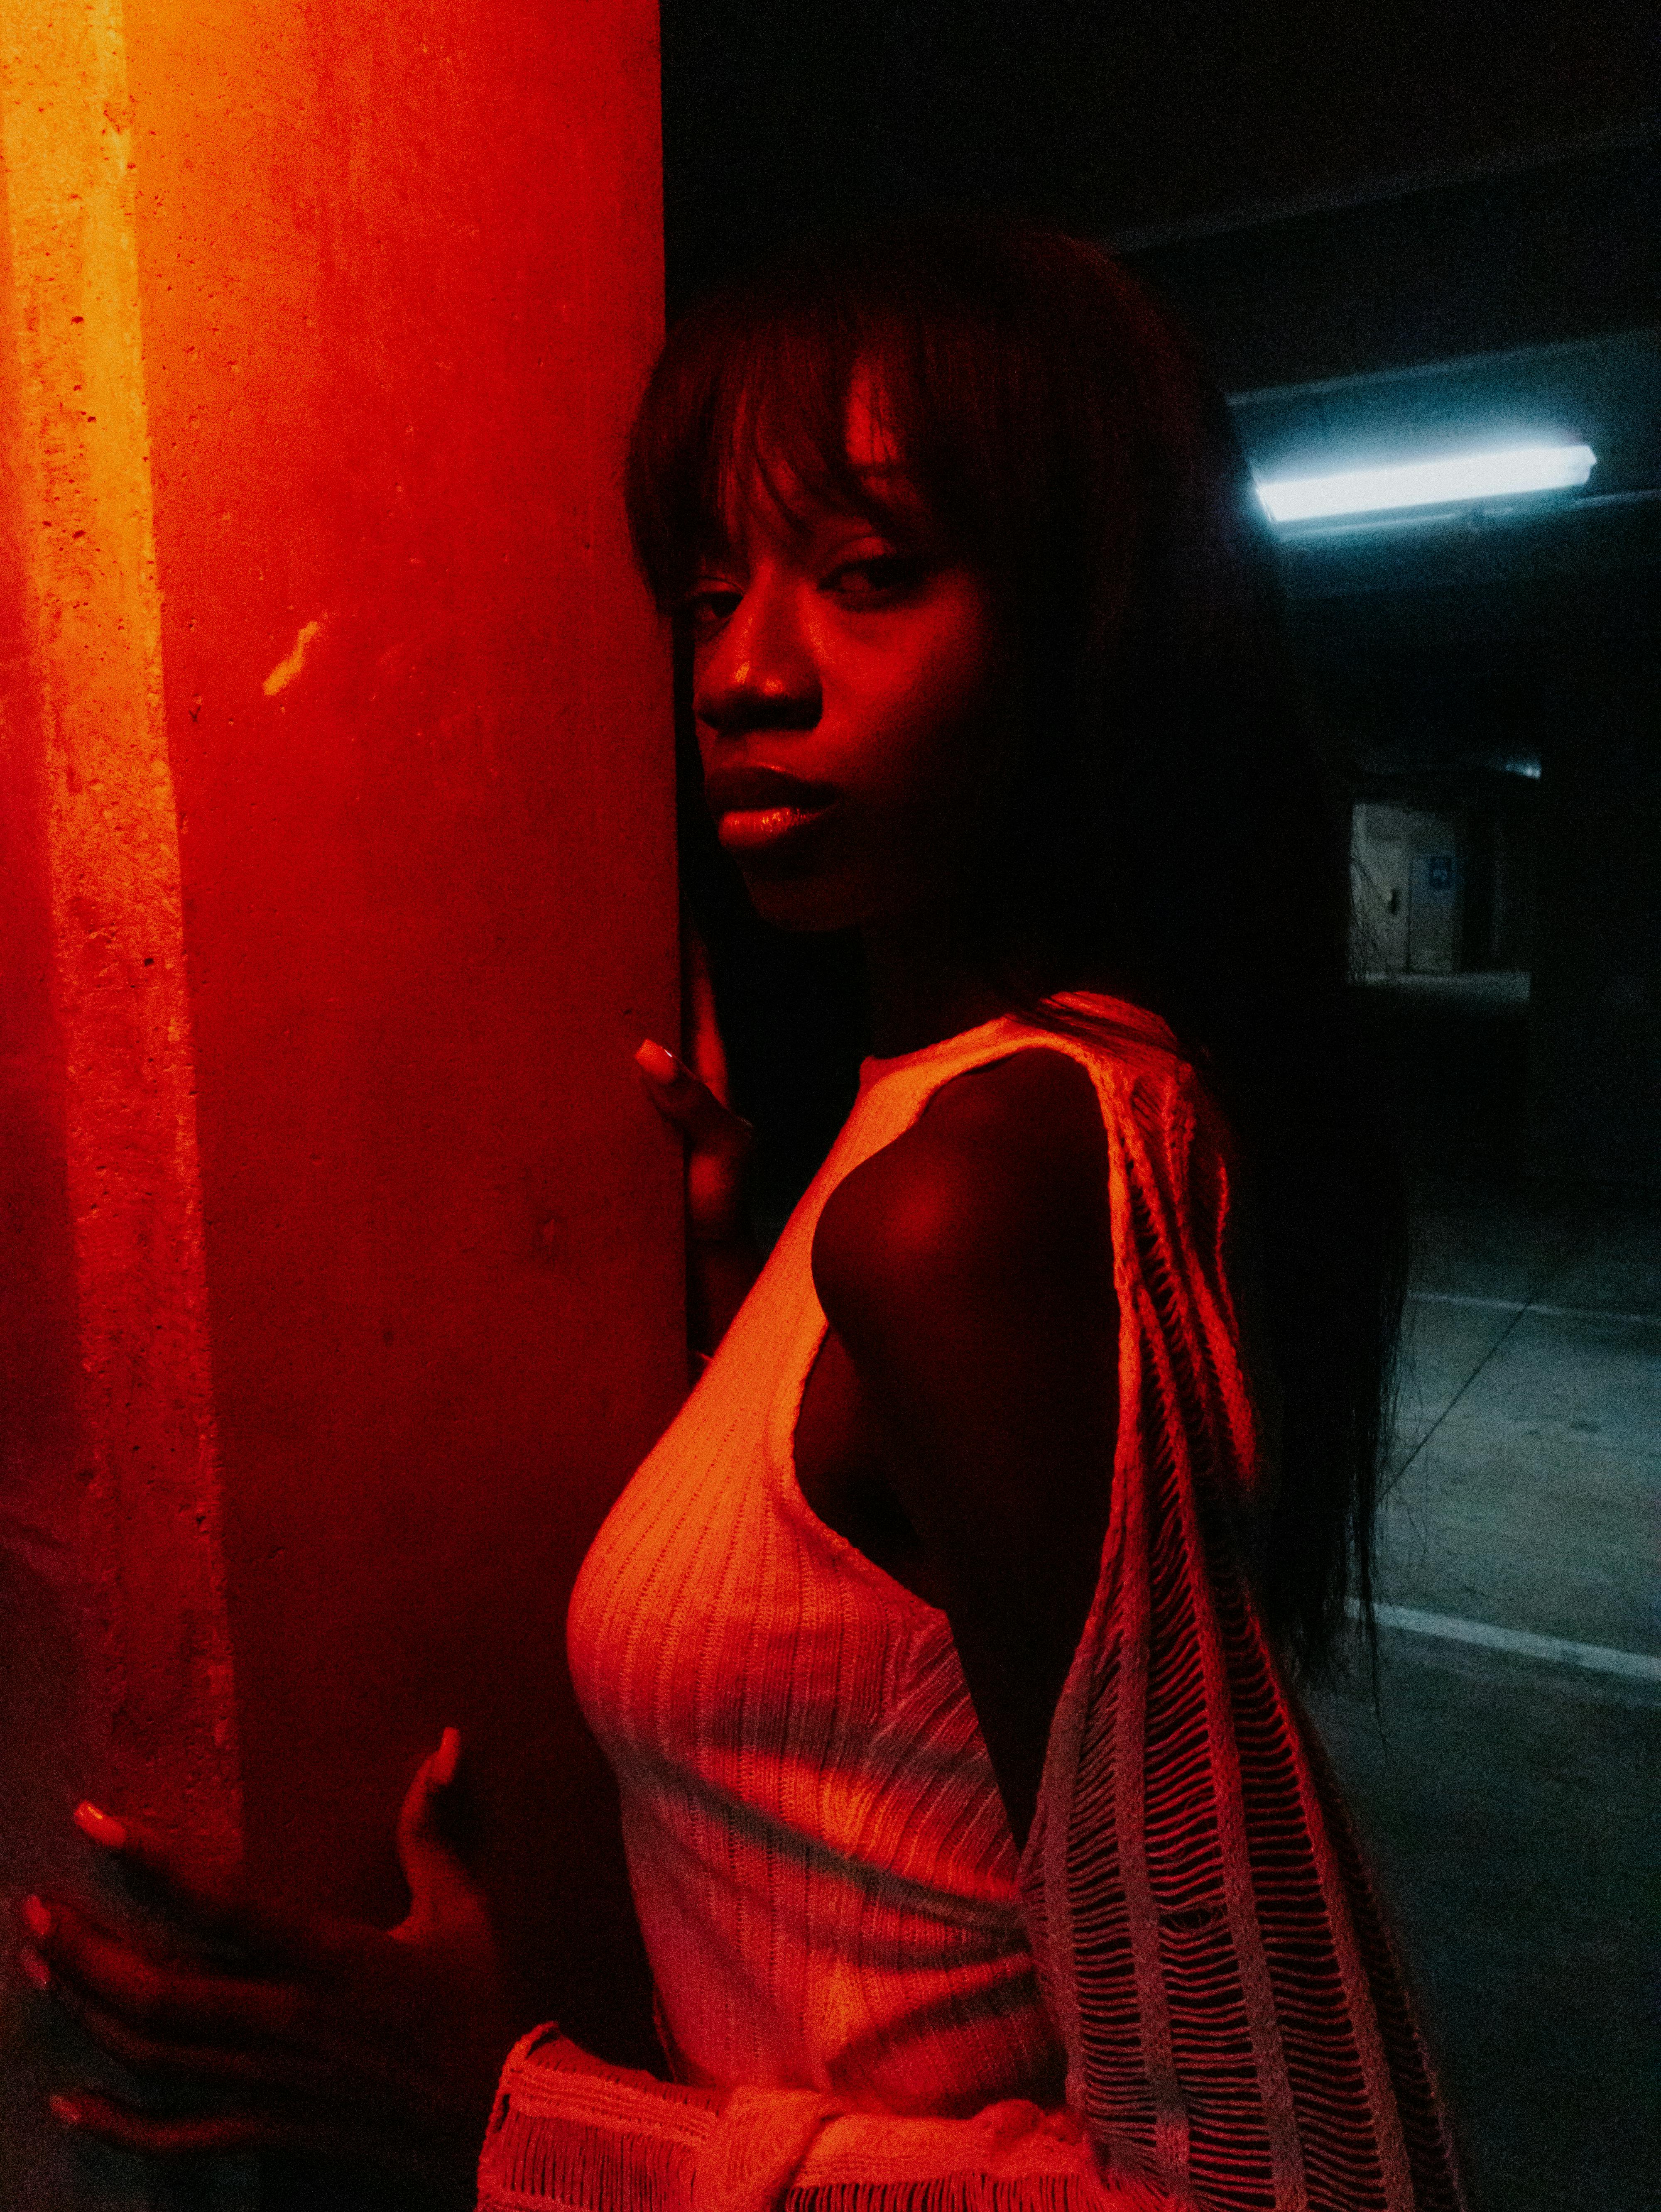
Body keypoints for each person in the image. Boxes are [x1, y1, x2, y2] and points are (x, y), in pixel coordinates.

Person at [17, 216, 1465, 2212]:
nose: (745, 676)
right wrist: (743, 1319)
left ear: (1095, 628)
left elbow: (1284, 2176)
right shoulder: (965, 1138)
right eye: (711, 592)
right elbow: (893, 1757)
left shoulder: (983, 1190)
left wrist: (515, 2112)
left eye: (870, 577)